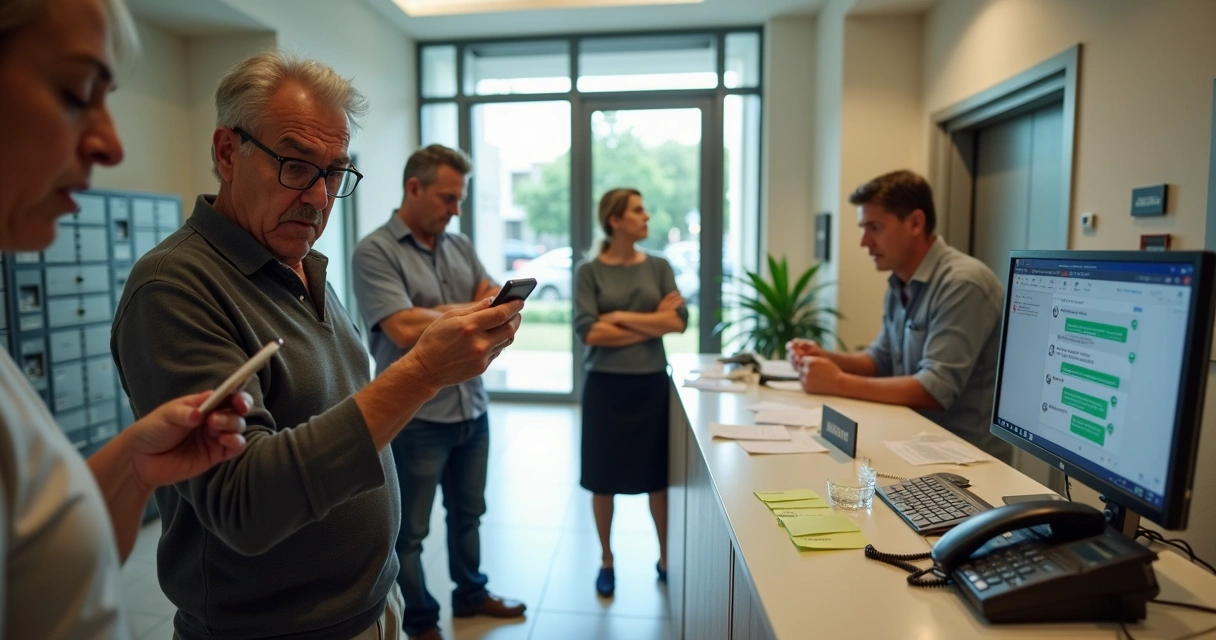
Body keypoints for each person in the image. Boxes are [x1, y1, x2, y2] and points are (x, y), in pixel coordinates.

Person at [110, 51, 523, 640]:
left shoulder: (301, 265)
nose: (319, 197)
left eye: (335, 173)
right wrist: (424, 372)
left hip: (374, 606)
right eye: (296, 165)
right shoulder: (174, 288)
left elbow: (334, 416)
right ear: (228, 153)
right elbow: (244, 503)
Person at [0, 0, 254, 637]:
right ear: (230, 155)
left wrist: (131, 467)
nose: (112, 144)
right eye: (75, 91)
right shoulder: (172, 282)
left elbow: (40, 571)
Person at [351, 145, 525, 640]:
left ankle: (471, 595)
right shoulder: (375, 251)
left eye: (460, 199)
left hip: (472, 408)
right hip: (416, 417)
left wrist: (474, 307)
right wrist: (474, 309)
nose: (455, 210)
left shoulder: (460, 246)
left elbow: (493, 294)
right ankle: (422, 621)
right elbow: (403, 325)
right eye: (448, 198)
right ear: (414, 188)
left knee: (469, 514)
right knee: (410, 532)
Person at [788, 170, 1011, 461]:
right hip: (914, 447)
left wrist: (837, 382)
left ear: (916, 223)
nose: (864, 242)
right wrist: (826, 359)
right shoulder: (899, 283)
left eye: (875, 228)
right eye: (863, 228)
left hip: (968, 465)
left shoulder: (963, 283)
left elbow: (933, 389)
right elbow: (878, 360)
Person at [574, 188, 687, 598]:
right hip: (606, 388)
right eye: (638, 211)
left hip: (651, 384)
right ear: (615, 220)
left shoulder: (659, 266)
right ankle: (606, 559)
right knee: (602, 480)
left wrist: (618, 316)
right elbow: (589, 331)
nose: (647, 217)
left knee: (657, 478)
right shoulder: (589, 272)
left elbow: (678, 323)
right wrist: (652, 318)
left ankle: (664, 558)